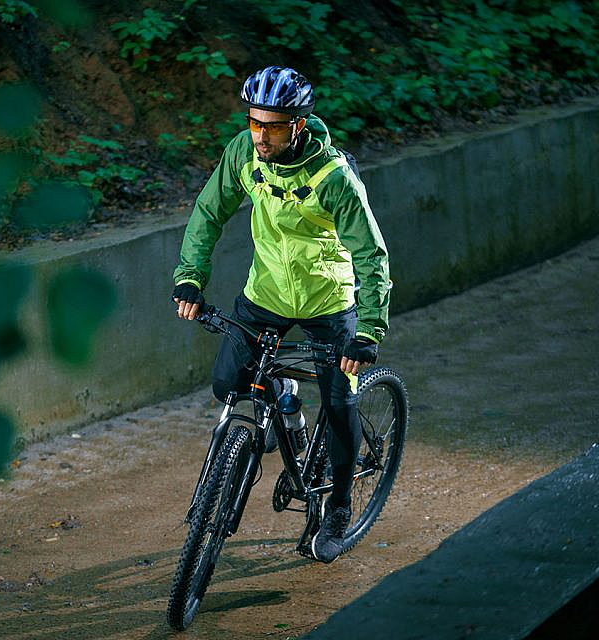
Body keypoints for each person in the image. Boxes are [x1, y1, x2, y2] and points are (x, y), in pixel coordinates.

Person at [171, 65, 391, 564]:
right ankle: (285, 403)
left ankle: (336, 506)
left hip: (328, 304)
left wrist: (369, 330)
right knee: (228, 383)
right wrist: (190, 277)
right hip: (264, 294)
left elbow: (372, 257)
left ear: (298, 124)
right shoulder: (243, 154)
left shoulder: (335, 179)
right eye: (254, 122)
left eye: (271, 125)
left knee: (339, 407)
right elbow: (208, 213)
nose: (260, 135)